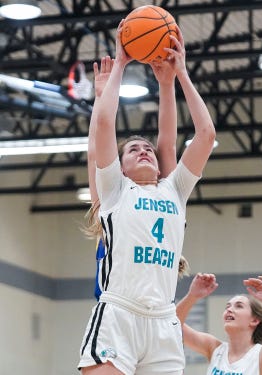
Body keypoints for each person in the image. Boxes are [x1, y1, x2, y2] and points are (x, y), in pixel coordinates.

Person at [78, 18, 216, 375]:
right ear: (120, 168)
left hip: (164, 321)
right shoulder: (115, 190)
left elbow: (204, 134)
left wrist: (178, 76)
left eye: (148, 149)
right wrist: (121, 65)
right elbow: (103, 132)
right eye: (133, 150)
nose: (144, 151)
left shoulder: (175, 189)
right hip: (118, 313)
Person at [176, 273, 262, 375]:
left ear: (255, 320)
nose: (229, 309)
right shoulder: (214, 348)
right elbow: (172, 326)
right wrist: (191, 296)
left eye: (239, 306)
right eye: (227, 306)